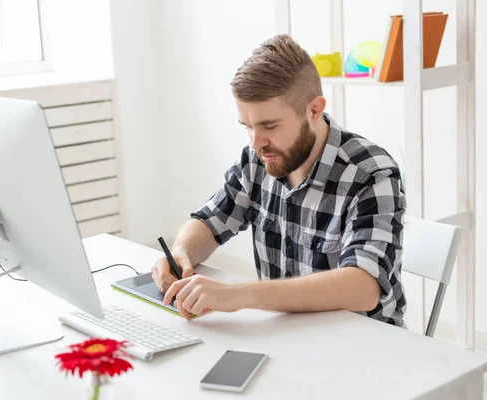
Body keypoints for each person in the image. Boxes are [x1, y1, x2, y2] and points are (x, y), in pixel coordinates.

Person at [151, 34, 407, 327]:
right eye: (247, 126)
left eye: (269, 125)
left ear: (314, 109)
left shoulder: (371, 174)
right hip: (286, 336)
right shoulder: (258, 158)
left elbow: (363, 287)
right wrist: (181, 253)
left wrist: (238, 295)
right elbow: (209, 221)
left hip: (364, 346)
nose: (256, 142)